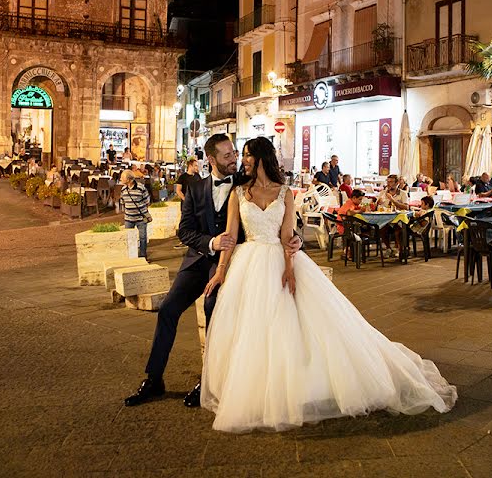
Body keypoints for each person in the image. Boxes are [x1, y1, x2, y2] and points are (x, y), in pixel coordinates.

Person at [199, 137, 456, 432]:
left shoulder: (284, 193)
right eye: (242, 155)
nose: (243, 160)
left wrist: (290, 269)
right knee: (253, 330)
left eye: (247, 155)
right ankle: (252, 388)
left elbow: (287, 235)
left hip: (279, 260)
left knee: (293, 326)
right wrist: (220, 272)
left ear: (261, 158)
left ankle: (296, 388)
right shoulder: (239, 192)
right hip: (249, 263)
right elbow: (231, 236)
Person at [124, 134, 303, 409]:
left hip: (233, 264)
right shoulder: (195, 188)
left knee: (213, 308)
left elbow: (283, 220)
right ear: (212, 159)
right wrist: (211, 242)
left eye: (236, 154)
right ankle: (154, 378)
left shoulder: (247, 183)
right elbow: (183, 231)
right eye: (228, 155)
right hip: (197, 261)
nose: (235, 160)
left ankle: (208, 381)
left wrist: (296, 240)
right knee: (168, 309)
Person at [120, 170, 150, 258]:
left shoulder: (141, 188)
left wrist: (142, 210)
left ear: (129, 179)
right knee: (129, 238)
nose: (121, 179)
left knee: (143, 238)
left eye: (122, 177)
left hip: (140, 218)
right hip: (128, 219)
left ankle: (143, 256)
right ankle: (131, 255)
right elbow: (122, 201)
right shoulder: (123, 189)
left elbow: (147, 201)